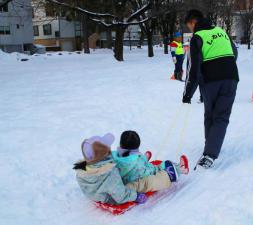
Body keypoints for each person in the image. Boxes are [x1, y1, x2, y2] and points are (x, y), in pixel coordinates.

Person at [182, 10, 239, 169]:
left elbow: (193, 68)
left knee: (212, 115)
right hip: (231, 77)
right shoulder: (220, 31)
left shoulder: (197, 37)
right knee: (221, 116)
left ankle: (209, 154)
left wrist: (187, 94)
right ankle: (211, 147)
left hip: (211, 80)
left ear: (193, 22)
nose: (190, 29)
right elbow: (234, 52)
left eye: (189, 26)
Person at [74, 133, 188, 205]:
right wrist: (136, 196)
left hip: (97, 192)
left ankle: (139, 160)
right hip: (111, 196)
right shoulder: (110, 173)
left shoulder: (83, 168)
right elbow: (120, 194)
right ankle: (176, 171)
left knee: (129, 165)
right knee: (146, 182)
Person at [112, 130, 189, 184]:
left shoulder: (114, 155)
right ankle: (181, 169)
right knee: (166, 165)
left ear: (120, 143)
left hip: (122, 177)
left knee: (139, 161)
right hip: (134, 179)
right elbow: (147, 173)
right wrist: (154, 168)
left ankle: (143, 159)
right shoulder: (139, 166)